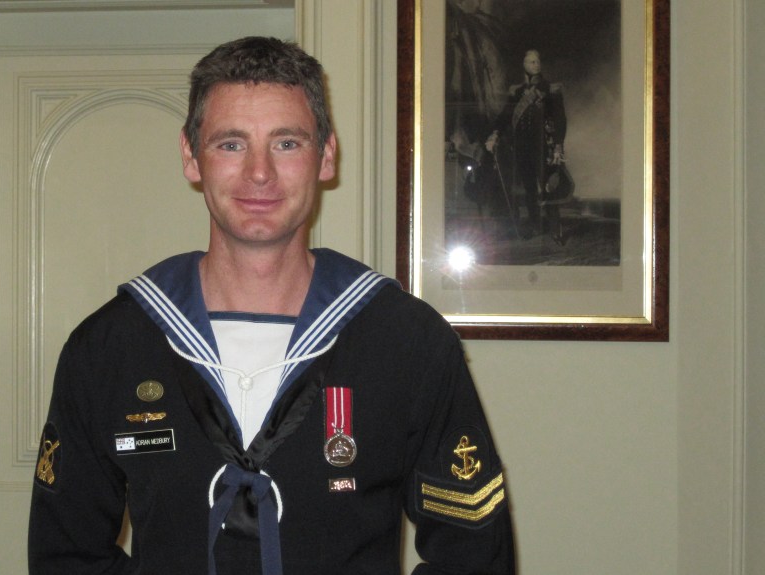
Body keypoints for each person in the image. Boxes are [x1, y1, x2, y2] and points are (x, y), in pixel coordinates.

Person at [28, 36, 514, 575]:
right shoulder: (109, 346)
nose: (259, 172)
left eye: (286, 143)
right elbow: (65, 557)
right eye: (231, 144)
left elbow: (473, 556)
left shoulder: (409, 342)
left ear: (326, 156)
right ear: (190, 156)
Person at [488, 49, 568, 242]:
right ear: (524, 65)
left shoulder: (551, 90)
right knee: (530, 188)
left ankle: (555, 228)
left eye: (537, 61)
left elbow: (560, 119)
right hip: (522, 147)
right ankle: (534, 225)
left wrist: (558, 145)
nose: (536, 65)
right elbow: (505, 116)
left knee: (549, 187)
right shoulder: (516, 92)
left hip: (544, 147)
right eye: (531, 62)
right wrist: (495, 134)